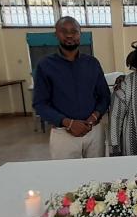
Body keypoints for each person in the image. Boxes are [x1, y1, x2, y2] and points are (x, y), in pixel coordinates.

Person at [32, 16, 111, 160]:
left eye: (74, 31)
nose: (69, 35)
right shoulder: (45, 65)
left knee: (97, 175)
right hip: (63, 133)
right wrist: (68, 123)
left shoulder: (92, 63)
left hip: (93, 130)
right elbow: (40, 104)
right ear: (56, 34)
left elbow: (104, 96)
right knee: (65, 176)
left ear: (80, 34)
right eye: (64, 31)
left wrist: (94, 117)